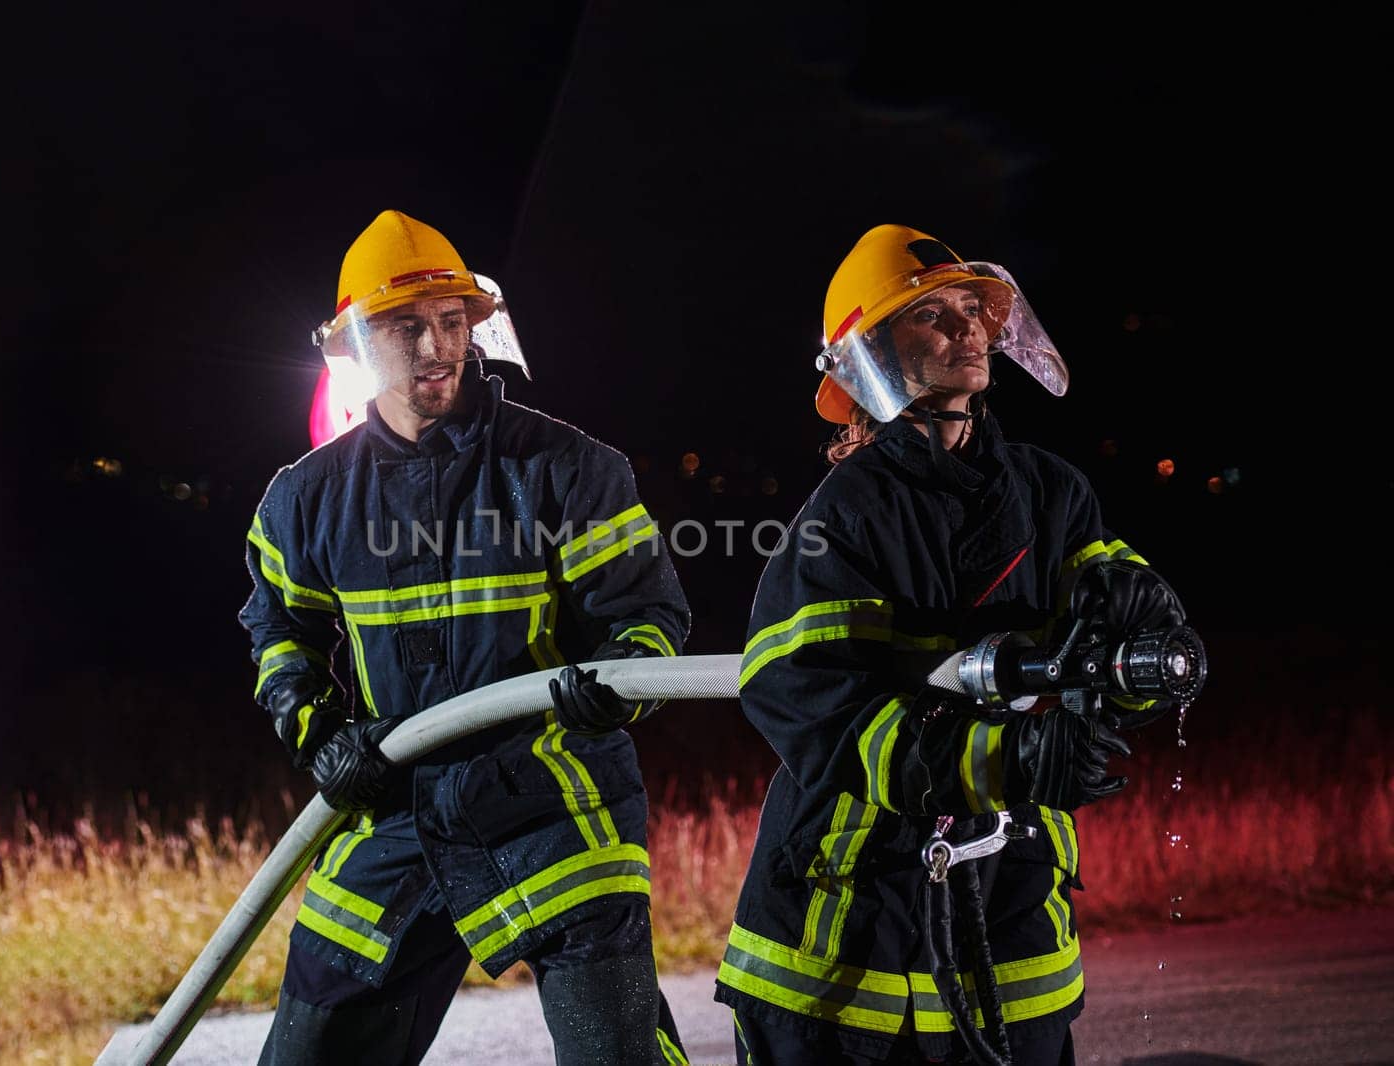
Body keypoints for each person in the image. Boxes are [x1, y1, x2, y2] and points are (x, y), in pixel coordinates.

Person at [714, 224, 1187, 1064]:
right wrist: (1005, 760)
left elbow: (1111, 637)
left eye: (975, 310)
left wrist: (1146, 640)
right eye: (935, 315)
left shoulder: (1049, 492)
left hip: (1010, 906)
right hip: (846, 924)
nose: (969, 329)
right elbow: (805, 695)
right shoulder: (846, 512)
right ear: (876, 351)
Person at [239, 209, 693, 1065]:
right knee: (310, 1048)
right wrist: (323, 733)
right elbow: (278, 629)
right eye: (408, 327)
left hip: (555, 801)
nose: (436, 346)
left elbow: (649, 618)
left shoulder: (567, 469)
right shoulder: (306, 499)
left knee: (615, 1050)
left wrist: (616, 688)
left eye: (452, 322)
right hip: (397, 805)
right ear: (356, 346)